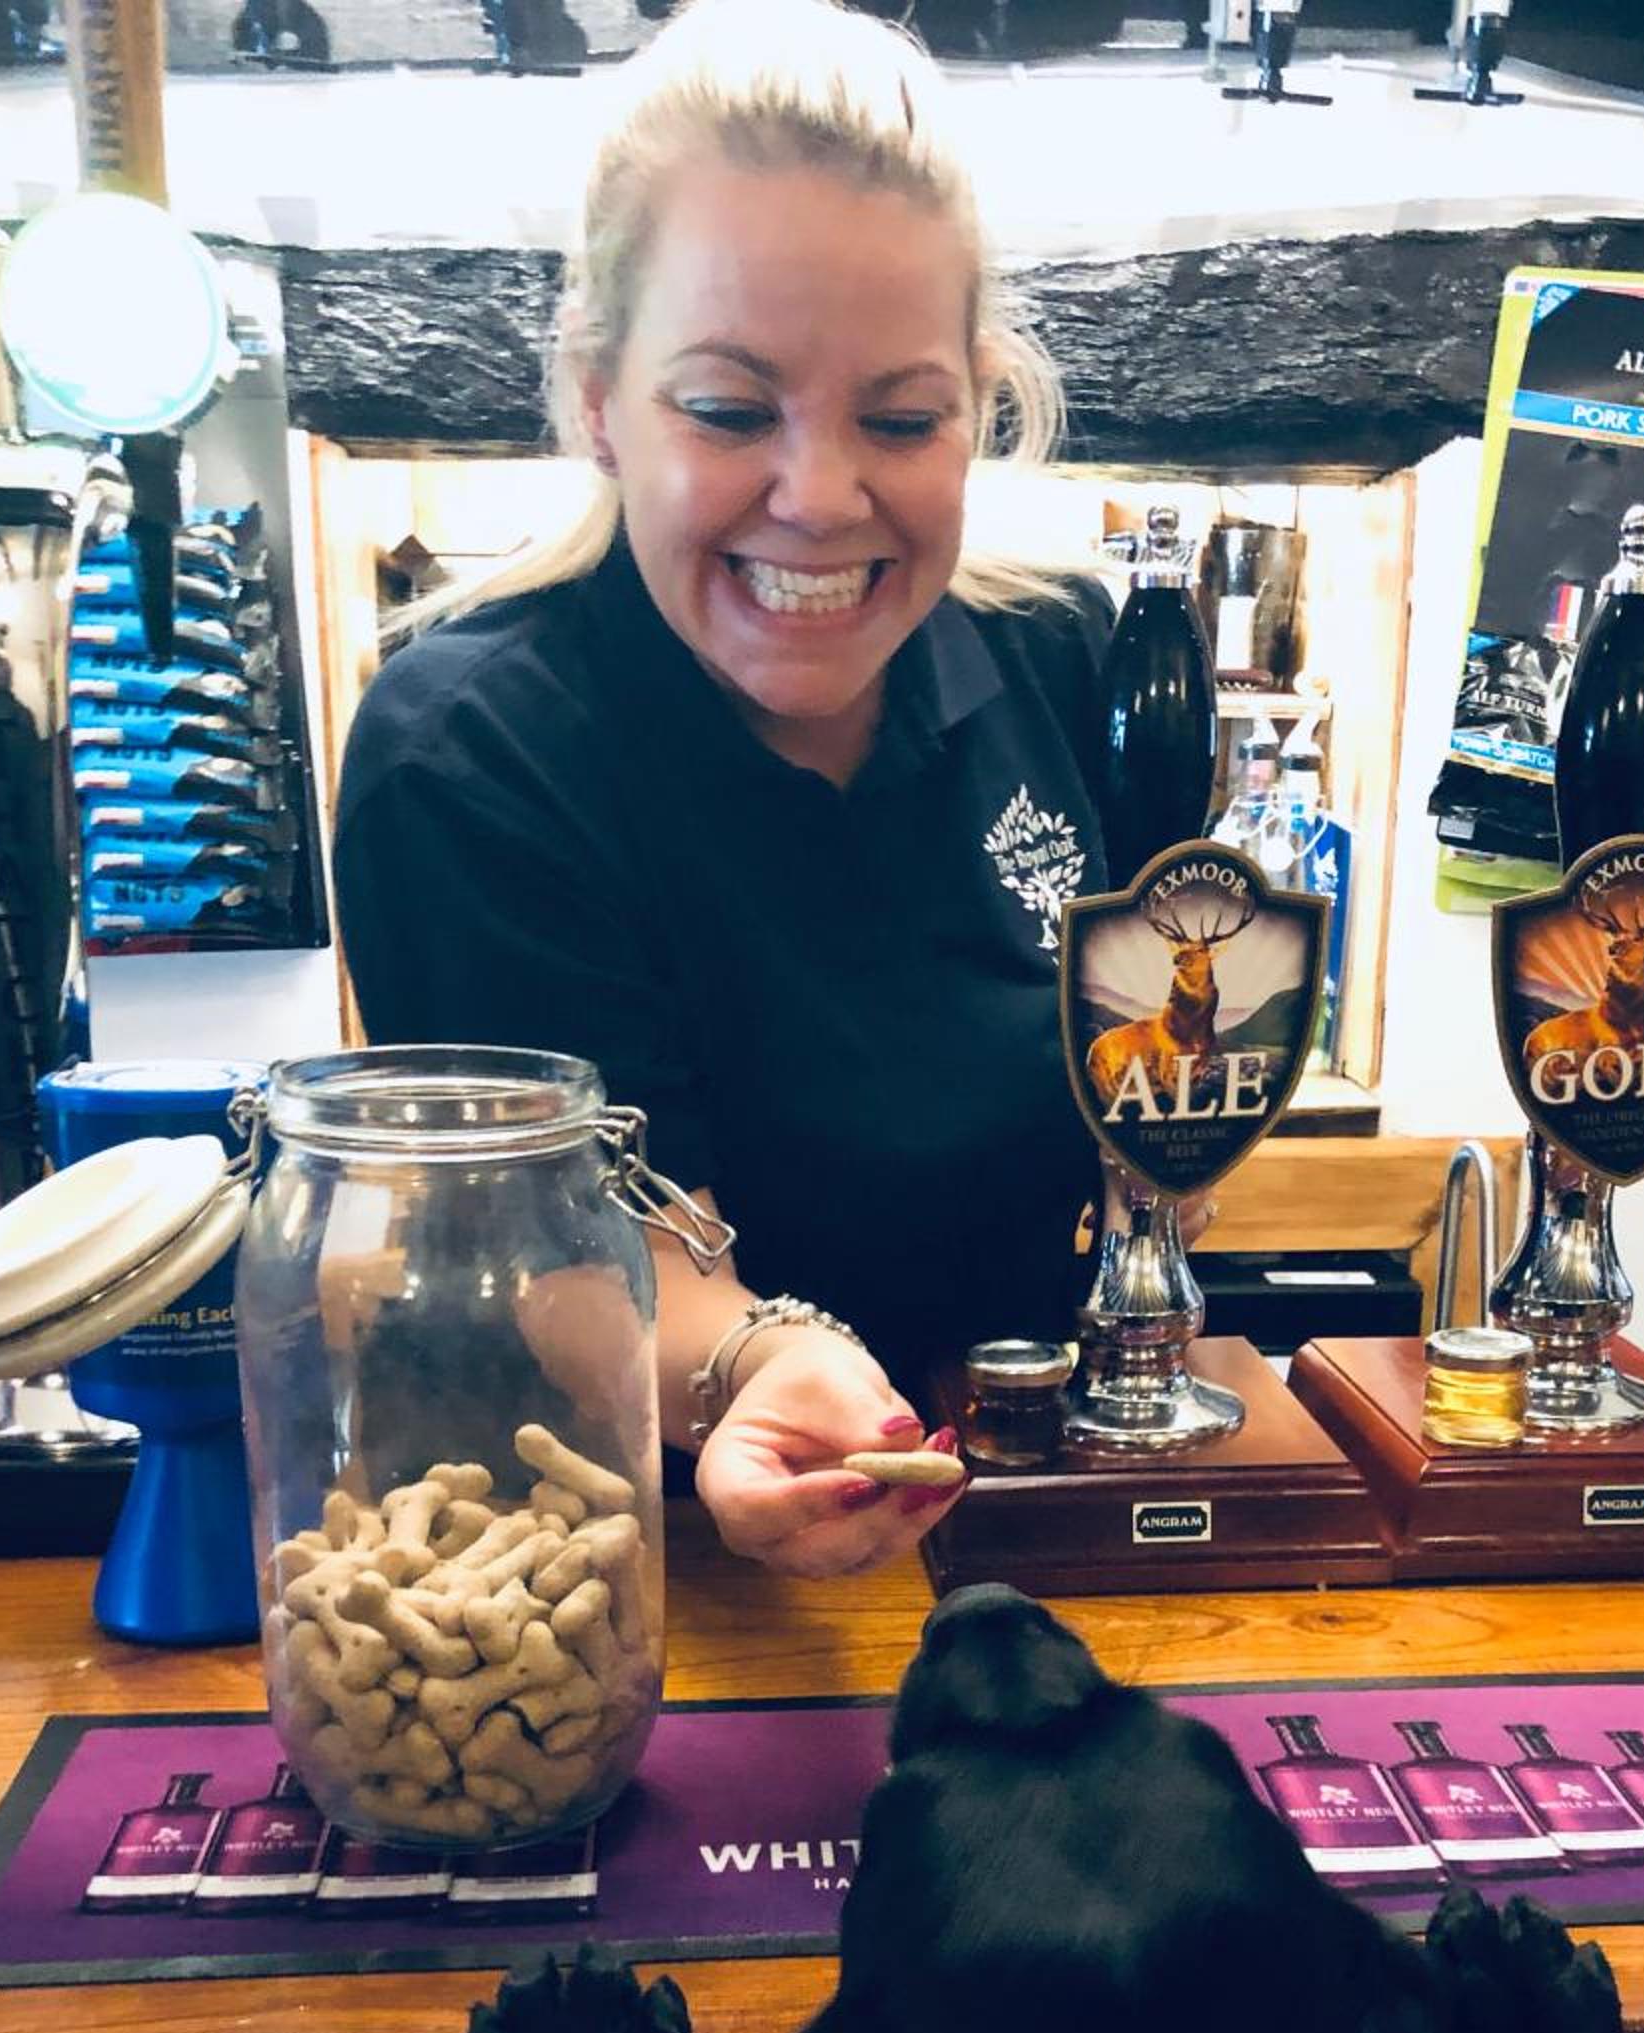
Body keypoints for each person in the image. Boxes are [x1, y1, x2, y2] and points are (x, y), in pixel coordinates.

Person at [335, 0, 1123, 1579]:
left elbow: (1152, 1051)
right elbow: (581, 1237)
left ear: (978, 405)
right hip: (611, 1566)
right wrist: (759, 1370)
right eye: (728, 409)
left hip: (1038, 1520)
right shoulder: (468, 750)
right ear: (595, 400)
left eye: (899, 419)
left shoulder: (1060, 657)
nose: (819, 496)